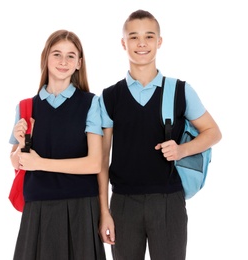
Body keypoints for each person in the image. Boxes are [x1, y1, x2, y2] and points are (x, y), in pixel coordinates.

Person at [98, 9, 222, 260]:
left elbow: (213, 132)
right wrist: (104, 211)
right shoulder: (110, 96)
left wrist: (182, 149)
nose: (141, 43)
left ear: (159, 42)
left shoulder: (180, 91)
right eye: (133, 37)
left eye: (149, 36)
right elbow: (101, 159)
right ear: (123, 43)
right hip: (122, 202)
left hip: (169, 202)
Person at [9, 29, 106, 260]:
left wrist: (40, 163)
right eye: (57, 54)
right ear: (45, 58)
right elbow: (17, 161)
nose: (63, 61)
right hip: (38, 209)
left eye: (71, 56)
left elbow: (94, 164)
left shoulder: (91, 103)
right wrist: (21, 144)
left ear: (79, 63)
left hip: (81, 208)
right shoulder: (25, 106)